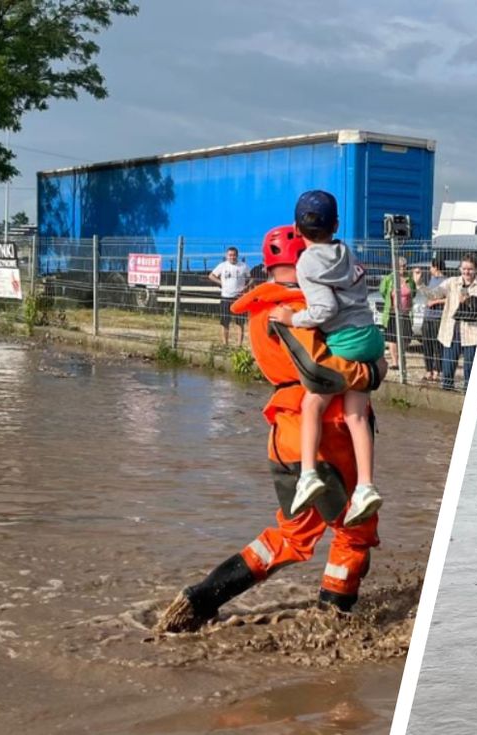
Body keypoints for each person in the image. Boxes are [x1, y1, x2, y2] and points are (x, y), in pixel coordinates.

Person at [153, 224, 386, 634]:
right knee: (354, 527)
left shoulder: (260, 310)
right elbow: (322, 372)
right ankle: (336, 620)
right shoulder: (300, 310)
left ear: (266, 265)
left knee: (292, 536)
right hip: (329, 436)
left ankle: (200, 598)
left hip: (284, 437)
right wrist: (372, 371)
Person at [268, 191, 385, 527]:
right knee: (356, 415)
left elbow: (325, 310)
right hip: (370, 337)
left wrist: (292, 318)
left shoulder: (306, 262)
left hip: (344, 341)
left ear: (296, 226)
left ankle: (307, 475)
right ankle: (365, 486)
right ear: (336, 224)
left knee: (312, 405)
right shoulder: (344, 251)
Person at [422, 252, 477, 390]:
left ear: (475, 269)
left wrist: (468, 301)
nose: (466, 272)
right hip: (451, 332)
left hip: (472, 332)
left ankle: (467, 393)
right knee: (448, 368)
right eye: (464, 268)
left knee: (470, 368)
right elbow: (434, 294)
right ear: (460, 269)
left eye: (470, 269)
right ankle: (447, 391)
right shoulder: (452, 282)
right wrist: (419, 284)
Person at [209, 246, 251, 346]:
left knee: (240, 322)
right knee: (225, 322)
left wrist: (247, 286)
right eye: (230, 255)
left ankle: (239, 345)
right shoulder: (222, 266)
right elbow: (211, 276)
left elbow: (251, 278)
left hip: (239, 298)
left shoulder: (243, 266)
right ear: (226, 256)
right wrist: (221, 283)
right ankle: (225, 344)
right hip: (225, 297)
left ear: (237, 255)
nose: (232, 257)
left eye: (234, 255)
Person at [379, 256, 415, 371]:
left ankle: (401, 357)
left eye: (404, 266)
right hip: (392, 313)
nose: (402, 269)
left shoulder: (410, 279)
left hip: (405, 314)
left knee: (406, 337)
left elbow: (413, 293)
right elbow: (383, 291)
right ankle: (395, 362)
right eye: (399, 267)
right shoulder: (389, 279)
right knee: (392, 338)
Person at [414, 257, 447, 381]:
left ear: (436, 267)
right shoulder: (432, 280)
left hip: (438, 318)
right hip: (427, 317)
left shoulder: (445, 282)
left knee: (437, 346)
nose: (430, 269)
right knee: (427, 345)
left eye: (431, 267)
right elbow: (428, 294)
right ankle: (428, 371)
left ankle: (437, 371)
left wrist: (436, 301)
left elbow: (449, 299)